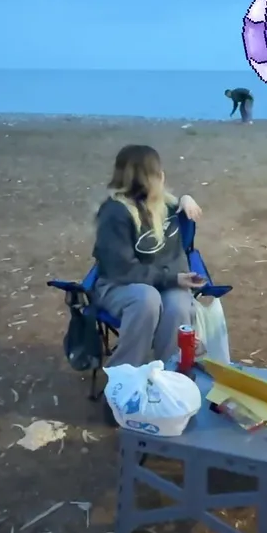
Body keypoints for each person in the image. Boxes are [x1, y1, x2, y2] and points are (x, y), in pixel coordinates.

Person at [93, 144, 205, 370]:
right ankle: (125, 377)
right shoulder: (114, 213)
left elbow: (179, 251)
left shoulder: (168, 206)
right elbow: (123, 270)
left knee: (177, 307)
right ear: (153, 177)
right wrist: (172, 279)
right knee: (147, 300)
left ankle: (169, 376)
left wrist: (186, 197)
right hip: (120, 285)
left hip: (166, 281)